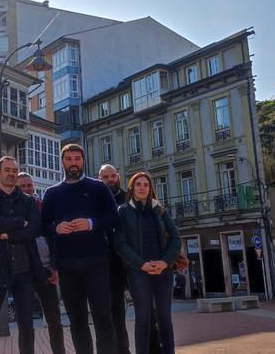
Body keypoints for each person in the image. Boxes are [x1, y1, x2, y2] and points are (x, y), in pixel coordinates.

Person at [41, 144, 119, 354]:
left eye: (77, 158)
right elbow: (43, 225)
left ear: (83, 161)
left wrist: (91, 223)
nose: (73, 162)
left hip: (97, 260)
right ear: (62, 162)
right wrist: (56, 228)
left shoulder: (99, 188)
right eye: (69, 159)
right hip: (67, 264)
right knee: (76, 319)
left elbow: (114, 218)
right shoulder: (51, 193)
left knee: (103, 315)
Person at [0, 157, 45, 354]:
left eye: (14, 170)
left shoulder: (28, 200)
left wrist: (10, 234)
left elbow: (35, 229)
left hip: (24, 270)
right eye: (7, 170)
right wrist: (19, 222)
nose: (11, 174)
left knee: (26, 324)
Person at [115, 172, 181, 354]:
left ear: (150, 189)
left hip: (163, 272)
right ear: (131, 188)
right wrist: (141, 264)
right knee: (143, 320)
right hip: (138, 273)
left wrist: (165, 262)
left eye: (146, 185)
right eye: (138, 184)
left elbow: (176, 238)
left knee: (165, 319)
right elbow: (120, 244)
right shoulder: (123, 212)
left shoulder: (160, 210)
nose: (142, 188)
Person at [18, 172, 66, 354]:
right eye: (22, 186)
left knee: (54, 321)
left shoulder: (43, 207)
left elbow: (54, 237)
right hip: (25, 270)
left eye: (29, 185)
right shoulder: (14, 210)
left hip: (47, 270)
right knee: (25, 323)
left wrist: (55, 267)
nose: (27, 189)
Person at [98, 164, 131, 354]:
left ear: (118, 176)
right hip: (109, 264)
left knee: (148, 312)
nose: (110, 180)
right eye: (105, 177)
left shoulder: (129, 198)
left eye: (112, 176)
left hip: (132, 261)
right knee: (115, 313)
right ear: (100, 179)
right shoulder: (97, 202)